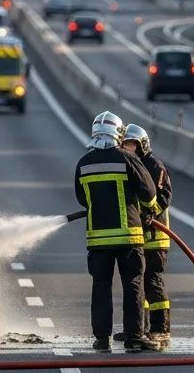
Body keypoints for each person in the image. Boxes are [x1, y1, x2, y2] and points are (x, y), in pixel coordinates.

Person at [74, 111, 160, 352]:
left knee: (101, 286)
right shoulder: (127, 159)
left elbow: (82, 199)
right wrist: (148, 210)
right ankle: (135, 336)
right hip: (128, 237)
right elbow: (149, 192)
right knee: (133, 284)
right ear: (118, 134)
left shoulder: (84, 163)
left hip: (97, 240)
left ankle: (102, 338)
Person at [118, 124, 173, 350]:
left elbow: (164, 195)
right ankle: (142, 329)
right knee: (138, 283)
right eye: (125, 145)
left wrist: (151, 213)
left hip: (155, 236)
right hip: (137, 235)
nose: (128, 149)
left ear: (143, 145)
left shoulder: (153, 166)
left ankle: (161, 329)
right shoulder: (129, 164)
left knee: (152, 280)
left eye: (132, 145)